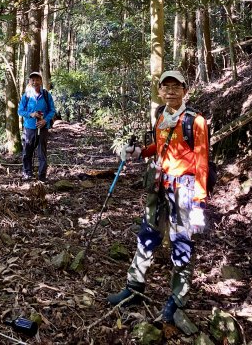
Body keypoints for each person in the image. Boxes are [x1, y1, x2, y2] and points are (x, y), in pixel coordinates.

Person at [107, 70, 209, 325]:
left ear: (185, 90)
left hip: (184, 188)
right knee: (148, 233)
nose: (171, 91)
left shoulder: (195, 121)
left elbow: (202, 160)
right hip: (159, 184)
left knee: (181, 242)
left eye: (176, 86)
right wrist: (139, 151)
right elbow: (159, 147)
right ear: (160, 91)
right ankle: (134, 287)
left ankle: (177, 299)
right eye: (166, 87)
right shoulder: (162, 116)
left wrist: (199, 202)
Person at [18, 71, 56, 182]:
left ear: (41, 81)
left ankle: (42, 176)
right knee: (27, 152)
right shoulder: (27, 95)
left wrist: (45, 120)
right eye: (32, 80)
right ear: (30, 81)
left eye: (37, 79)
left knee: (42, 153)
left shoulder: (46, 94)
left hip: (43, 128)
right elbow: (20, 111)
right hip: (29, 128)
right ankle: (27, 173)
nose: (35, 82)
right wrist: (31, 114)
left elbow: (52, 110)